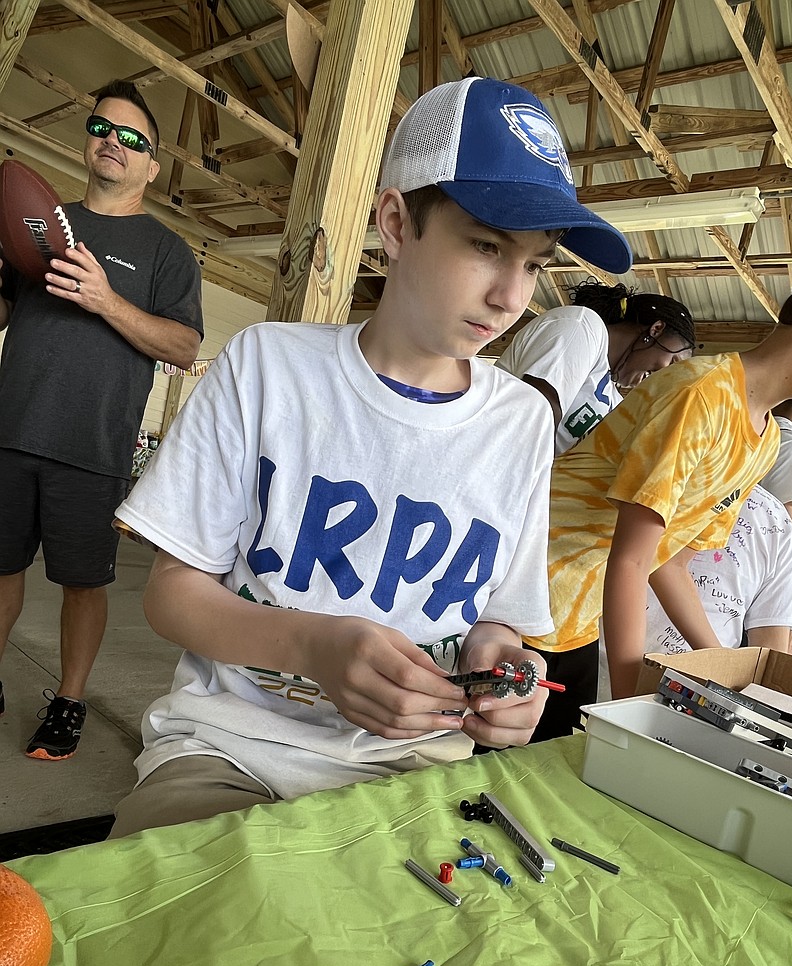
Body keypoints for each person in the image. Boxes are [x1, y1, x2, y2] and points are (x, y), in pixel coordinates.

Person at [106, 76, 633, 838]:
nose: (509, 296)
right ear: (395, 221)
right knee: (179, 928)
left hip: (418, 762)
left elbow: (496, 624)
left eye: (535, 263)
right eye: (486, 245)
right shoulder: (269, 368)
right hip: (234, 749)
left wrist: (504, 678)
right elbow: (171, 593)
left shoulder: (519, 421)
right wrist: (312, 645)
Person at [525, 235, 792, 741]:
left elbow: (667, 560)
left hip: (574, 623)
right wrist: (632, 709)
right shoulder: (700, 395)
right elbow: (630, 561)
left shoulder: (762, 440)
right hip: (524, 595)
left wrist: (725, 670)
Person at [0, 80, 203, 761]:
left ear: (152, 165)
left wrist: (106, 300)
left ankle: (69, 700)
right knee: (0, 568)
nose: (114, 141)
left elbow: (183, 345)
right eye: (102, 127)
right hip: (10, 430)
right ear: (87, 141)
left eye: (134, 138)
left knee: (82, 583)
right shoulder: (37, 223)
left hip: (93, 446)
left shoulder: (166, 251)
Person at [597, 484, 792, 698]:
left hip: (599, 664)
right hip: (689, 690)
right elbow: (773, 650)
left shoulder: (775, 521)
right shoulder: (775, 520)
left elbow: (771, 649)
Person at [496, 281, 695, 454]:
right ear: (656, 329)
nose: (667, 377)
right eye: (673, 363)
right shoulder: (582, 326)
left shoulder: (615, 400)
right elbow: (537, 416)